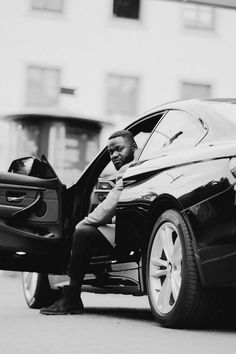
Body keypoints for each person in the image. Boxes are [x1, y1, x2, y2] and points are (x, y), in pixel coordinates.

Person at [40, 130, 138, 315]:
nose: (115, 155)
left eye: (119, 149)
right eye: (111, 152)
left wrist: (81, 225)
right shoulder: (141, 164)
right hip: (138, 230)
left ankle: (72, 297)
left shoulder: (129, 169)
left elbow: (108, 209)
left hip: (131, 235)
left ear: (134, 147)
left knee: (84, 233)